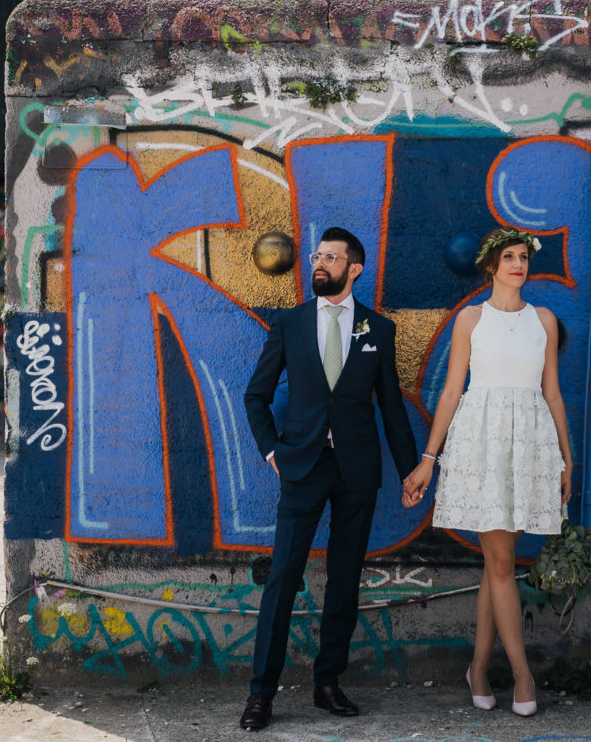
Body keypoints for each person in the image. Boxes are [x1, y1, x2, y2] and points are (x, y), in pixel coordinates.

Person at [240, 227, 418, 731]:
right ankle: (261, 693)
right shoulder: (291, 324)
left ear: (353, 268)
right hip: (302, 466)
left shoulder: (378, 330)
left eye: (330, 258)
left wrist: (409, 470)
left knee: (344, 578)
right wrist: (272, 449)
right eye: (317, 256)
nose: (319, 264)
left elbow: (391, 408)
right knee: (282, 578)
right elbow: (256, 395)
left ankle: (327, 682)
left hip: (357, 470)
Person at [403, 227, 572, 718]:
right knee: (502, 565)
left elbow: (553, 393)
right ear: (490, 267)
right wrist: (429, 460)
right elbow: (453, 390)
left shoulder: (544, 319)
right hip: (483, 446)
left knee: (497, 565)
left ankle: (478, 668)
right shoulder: (470, 320)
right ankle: (522, 676)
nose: (518, 264)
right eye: (509, 257)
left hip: (529, 451)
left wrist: (566, 459)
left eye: (523, 257)